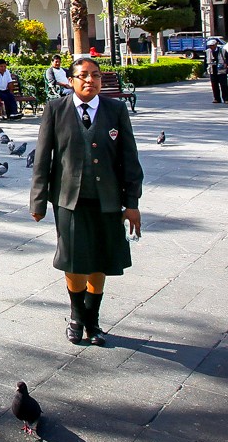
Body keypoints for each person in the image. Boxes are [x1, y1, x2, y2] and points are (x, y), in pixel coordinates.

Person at [30, 57, 144, 347]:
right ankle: (76, 316)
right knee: (74, 259)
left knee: (100, 260)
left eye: (96, 75)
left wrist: (132, 203)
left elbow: (129, 158)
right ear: (71, 81)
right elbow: (43, 158)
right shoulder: (56, 109)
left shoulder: (115, 110)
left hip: (107, 199)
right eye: (83, 75)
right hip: (69, 200)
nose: (90, 80)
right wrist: (38, 201)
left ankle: (93, 320)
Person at [207, 38, 228, 104]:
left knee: (224, 85)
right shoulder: (208, 51)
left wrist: (226, 64)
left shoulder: (223, 51)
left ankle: (226, 99)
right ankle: (217, 99)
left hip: (221, 70)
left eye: (212, 45)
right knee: (214, 85)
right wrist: (205, 70)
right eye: (210, 46)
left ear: (216, 44)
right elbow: (205, 61)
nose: (211, 47)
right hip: (212, 70)